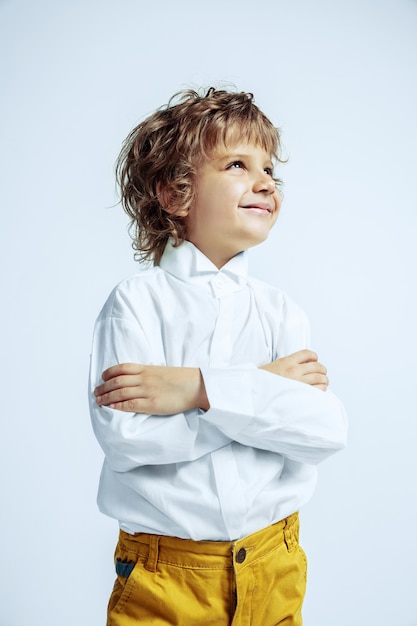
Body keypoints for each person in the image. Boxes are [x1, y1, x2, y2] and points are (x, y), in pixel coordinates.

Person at [89, 87, 347, 626]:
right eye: (237, 163)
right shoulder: (136, 303)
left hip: (275, 565)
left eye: (270, 169)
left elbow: (323, 432)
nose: (265, 182)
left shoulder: (282, 312)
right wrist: (263, 388)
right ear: (175, 193)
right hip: (167, 577)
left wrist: (197, 391)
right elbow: (129, 439)